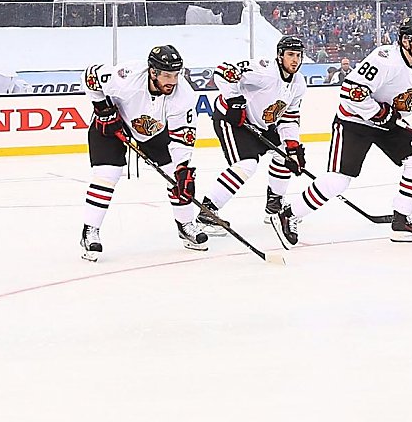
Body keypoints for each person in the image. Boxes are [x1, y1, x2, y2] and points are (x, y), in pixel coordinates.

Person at [272, 16, 412, 245]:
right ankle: (290, 213)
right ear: (405, 40)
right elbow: (351, 91)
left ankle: (401, 221)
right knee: (339, 180)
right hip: (355, 121)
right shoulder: (385, 59)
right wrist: (378, 113)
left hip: (388, 124)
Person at [79, 44, 208, 258]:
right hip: (113, 125)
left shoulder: (184, 95)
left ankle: (186, 225)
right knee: (107, 176)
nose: (173, 81)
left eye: (176, 74)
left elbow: (183, 135)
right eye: (167, 75)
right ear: (153, 71)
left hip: (152, 132)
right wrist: (101, 108)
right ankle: (89, 231)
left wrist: (183, 167)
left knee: (177, 177)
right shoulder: (126, 77)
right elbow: (90, 75)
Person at [206, 37, 308, 241]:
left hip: (262, 124)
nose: (295, 60)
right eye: (290, 55)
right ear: (279, 56)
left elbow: (288, 118)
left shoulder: (299, 84)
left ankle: (274, 207)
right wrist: (235, 101)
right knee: (247, 165)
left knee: (284, 157)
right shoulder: (264, 71)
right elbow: (223, 71)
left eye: (298, 55)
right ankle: (207, 213)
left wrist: (293, 147)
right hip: (232, 120)